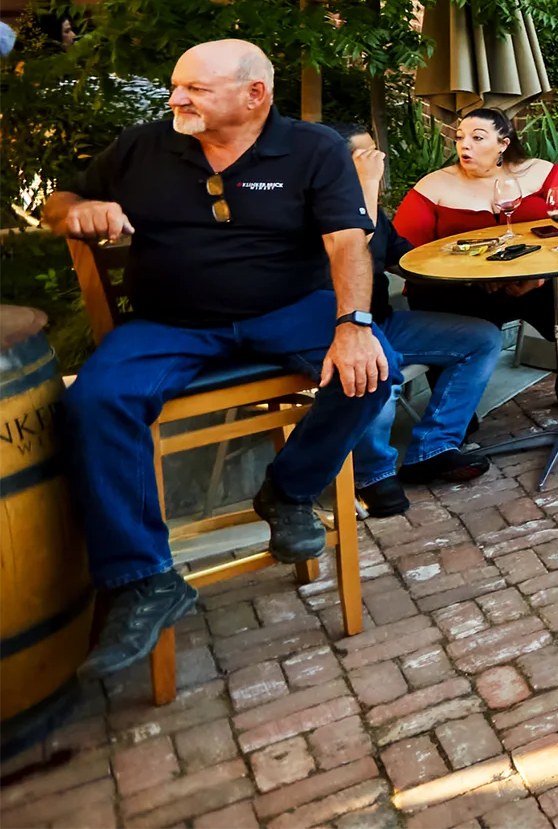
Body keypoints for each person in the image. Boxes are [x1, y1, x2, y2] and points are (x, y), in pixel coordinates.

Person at [45, 40, 396, 676]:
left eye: (196, 90)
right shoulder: (144, 146)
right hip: (170, 322)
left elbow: (348, 241)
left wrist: (353, 324)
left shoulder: (312, 149)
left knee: (372, 370)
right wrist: (78, 210)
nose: (176, 98)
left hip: (288, 309)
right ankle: (143, 578)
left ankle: (288, 491)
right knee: (93, 403)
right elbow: (58, 202)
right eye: (177, 85)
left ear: (254, 95)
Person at [394, 108, 558, 413]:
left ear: (503, 144)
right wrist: (467, 277)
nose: (464, 145)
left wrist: (539, 276)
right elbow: (403, 252)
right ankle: (452, 422)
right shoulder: (432, 187)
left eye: (477, 137)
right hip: (462, 291)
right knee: (429, 299)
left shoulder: (540, 173)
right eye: (460, 138)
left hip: (537, 282)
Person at [330, 123, 504, 510]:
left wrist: (475, 269)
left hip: (385, 322)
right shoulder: (314, 208)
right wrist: (366, 187)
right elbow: (354, 250)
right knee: (379, 366)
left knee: (482, 338)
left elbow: (405, 258)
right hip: (340, 329)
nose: (378, 161)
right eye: (365, 155)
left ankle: (433, 448)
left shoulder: (370, 206)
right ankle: (372, 476)